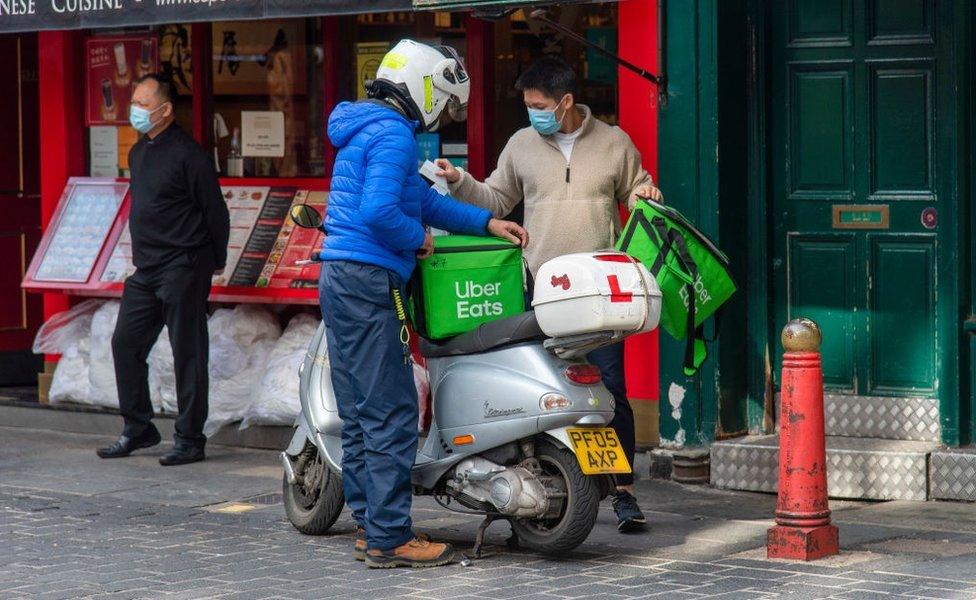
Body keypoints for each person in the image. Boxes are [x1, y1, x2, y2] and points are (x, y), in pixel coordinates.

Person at [320, 40, 528, 568]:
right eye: (443, 99)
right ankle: (391, 537)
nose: (442, 111)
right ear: (424, 86)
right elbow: (382, 213)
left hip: (341, 276)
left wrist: (485, 222)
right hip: (372, 279)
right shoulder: (391, 133)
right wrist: (419, 240)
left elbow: (422, 199)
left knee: (363, 410)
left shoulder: (367, 126)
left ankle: (371, 527)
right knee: (392, 410)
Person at [436, 56, 662, 533]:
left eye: (539, 106)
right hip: (543, 287)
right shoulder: (522, 144)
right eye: (527, 106)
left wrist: (647, 195)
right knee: (543, 385)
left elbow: (637, 191)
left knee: (610, 389)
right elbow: (496, 198)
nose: (532, 114)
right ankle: (542, 483)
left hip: (601, 289)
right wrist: (459, 183)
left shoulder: (614, 142)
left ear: (565, 102)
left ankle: (623, 491)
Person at [97, 74, 229, 467]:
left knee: (187, 351)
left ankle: (190, 438)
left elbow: (215, 212)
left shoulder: (190, 155)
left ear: (165, 109)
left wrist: (212, 261)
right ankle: (138, 426)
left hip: (184, 265)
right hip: (146, 269)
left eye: (142, 102)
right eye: (133, 101)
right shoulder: (138, 153)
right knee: (125, 343)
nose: (134, 109)